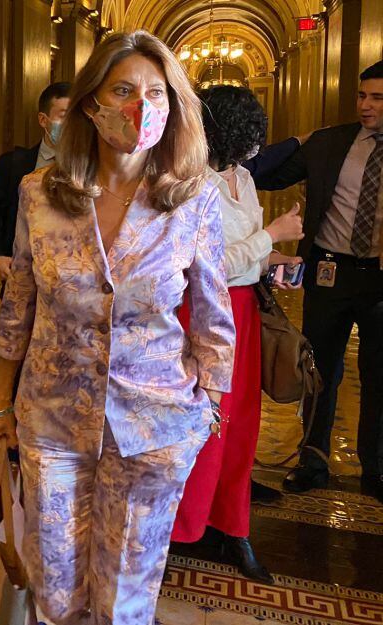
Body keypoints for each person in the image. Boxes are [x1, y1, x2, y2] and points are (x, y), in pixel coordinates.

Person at [0, 31, 235, 624]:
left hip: (154, 425)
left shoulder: (194, 198)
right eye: (122, 89)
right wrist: (0, 405)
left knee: (124, 599)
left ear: (172, 107)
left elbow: (213, 313)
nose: (137, 107)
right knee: (56, 590)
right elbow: (18, 303)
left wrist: (206, 408)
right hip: (51, 419)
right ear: (92, 101)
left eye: (154, 92)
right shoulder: (38, 194)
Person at [171, 85, 305, 584]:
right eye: (250, 133)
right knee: (203, 423)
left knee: (242, 422)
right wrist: (272, 235)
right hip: (204, 313)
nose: (257, 145)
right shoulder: (189, 184)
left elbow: (244, 257)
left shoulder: (243, 178)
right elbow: (204, 266)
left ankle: (230, 523)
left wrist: (276, 260)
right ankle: (180, 527)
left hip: (246, 309)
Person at [254, 60, 383, 503]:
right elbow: (266, 173)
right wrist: (293, 142)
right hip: (330, 273)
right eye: (362, 96)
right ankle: (313, 459)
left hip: (380, 278)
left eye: (377, 98)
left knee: (378, 373)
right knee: (319, 368)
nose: (365, 106)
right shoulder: (332, 143)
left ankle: (376, 467)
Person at [0, 82, 71, 281]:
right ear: (43, 120)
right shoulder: (13, 165)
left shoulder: (94, 168)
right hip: (22, 280)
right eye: (63, 116)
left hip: (73, 286)